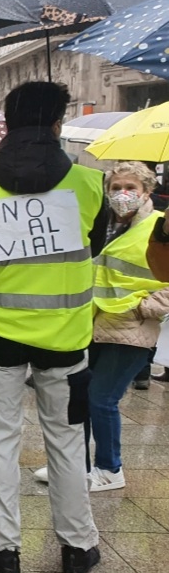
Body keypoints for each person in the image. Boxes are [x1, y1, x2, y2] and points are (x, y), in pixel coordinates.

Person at [0, 81, 104, 573]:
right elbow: (90, 249)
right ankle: (79, 546)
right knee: (69, 439)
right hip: (68, 342)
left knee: (0, 437)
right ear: (58, 124)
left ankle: (1, 548)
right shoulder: (90, 187)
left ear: (6, 125)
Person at [82, 162, 169, 490]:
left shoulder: (160, 227)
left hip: (131, 327)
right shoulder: (103, 224)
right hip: (94, 321)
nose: (122, 194)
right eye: (115, 188)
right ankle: (78, 466)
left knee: (101, 398)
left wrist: (147, 308)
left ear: (147, 191)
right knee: (82, 397)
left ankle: (109, 469)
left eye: (130, 187)